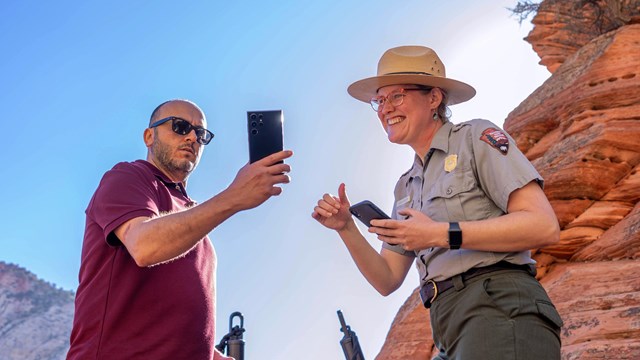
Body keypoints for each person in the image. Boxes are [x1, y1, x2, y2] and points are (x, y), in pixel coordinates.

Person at [312, 46, 563, 359]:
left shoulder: (475, 137)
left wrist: (439, 234)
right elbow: (387, 278)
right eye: (380, 100)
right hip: (447, 325)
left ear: (434, 98)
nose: (384, 108)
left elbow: (543, 225)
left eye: (397, 95)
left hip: (498, 306)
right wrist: (346, 228)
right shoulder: (405, 185)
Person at [68, 99, 293, 359]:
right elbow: (144, 246)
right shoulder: (128, 177)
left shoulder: (193, 220)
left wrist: (214, 356)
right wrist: (233, 197)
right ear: (149, 136)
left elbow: (176, 324)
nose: (192, 138)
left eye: (201, 134)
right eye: (180, 126)